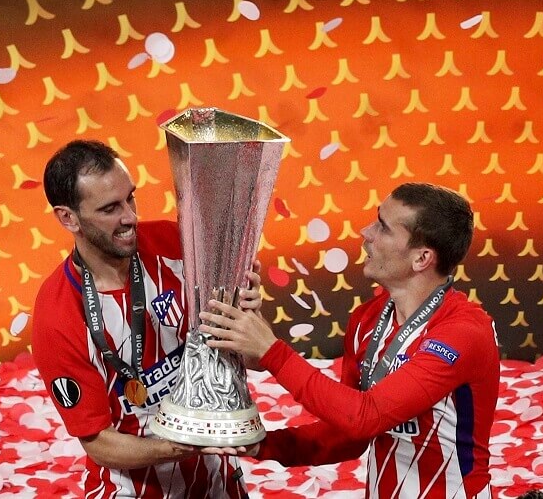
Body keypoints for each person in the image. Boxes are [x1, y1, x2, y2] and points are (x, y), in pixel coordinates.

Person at [200, 182, 500, 498]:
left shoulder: (464, 332)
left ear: (422, 258)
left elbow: (364, 418)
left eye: (382, 228)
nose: (364, 232)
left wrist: (271, 351)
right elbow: (348, 433)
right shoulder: (366, 320)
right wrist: (261, 443)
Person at [31, 139, 260, 498]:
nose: (129, 217)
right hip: (132, 489)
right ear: (67, 218)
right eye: (109, 209)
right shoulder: (57, 314)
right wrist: (188, 444)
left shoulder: (176, 244)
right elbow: (100, 444)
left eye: (130, 198)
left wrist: (247, 318)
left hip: (217, 480)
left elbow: (252, 360)